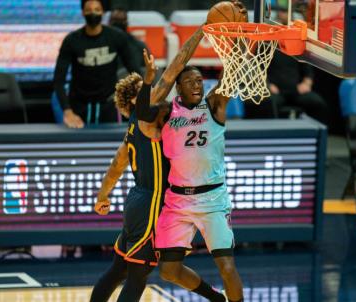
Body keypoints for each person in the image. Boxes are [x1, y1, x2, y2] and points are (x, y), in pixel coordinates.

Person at [90, 8, 227, 301]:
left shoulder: (133, 127)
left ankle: (215, 298)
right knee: (138, 276)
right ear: (137, 98)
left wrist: (103, 196)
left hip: (136, 200)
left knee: (118, 269)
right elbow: (178, 64)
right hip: (152, 201)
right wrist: (203, 30)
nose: (156, 92)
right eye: (147, 89)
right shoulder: (148, 114)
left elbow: (116, 165)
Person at [136, 4, 247, 302]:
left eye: (200, 80)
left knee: (226, 265)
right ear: (179, 89)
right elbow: (142, 111)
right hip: (178, 200)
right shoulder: (166, 112)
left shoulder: (214, 105)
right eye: (190, 81)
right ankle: (215, 298)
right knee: (169, 271)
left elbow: (234, 73)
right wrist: (149, 80)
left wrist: (239, 37)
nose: (197, 84)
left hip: (212, 198)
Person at [53, 0, 141, 128]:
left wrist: (136, 99)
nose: (93, 13)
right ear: (83, 12)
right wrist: (67, 111)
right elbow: (58, 80)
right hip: (79, 107)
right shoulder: (71, 41)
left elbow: (136, 73)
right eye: (89, 10)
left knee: (113, 146)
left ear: (103, 12)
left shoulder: (116, 37)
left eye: (97, 9)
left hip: (109, 105)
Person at [244, 4, 328, 124]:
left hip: (296, 90)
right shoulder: (268, 41)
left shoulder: (297, 41)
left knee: (318, 103)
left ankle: (317, 136)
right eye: (280, 12)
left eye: (284, 12)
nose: (281, 14)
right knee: (269, 103)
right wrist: (267, 84)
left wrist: (307, 82)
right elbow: (258, 66)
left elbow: (307, 66)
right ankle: (274, 136)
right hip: (275, 89)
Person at [108, 5, 150, 78]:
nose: (118, 23)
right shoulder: (102, 44)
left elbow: (147, 72)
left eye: (121, 20)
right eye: (115, 20)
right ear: (109, 22)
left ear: (126, 22)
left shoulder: (139, 46)